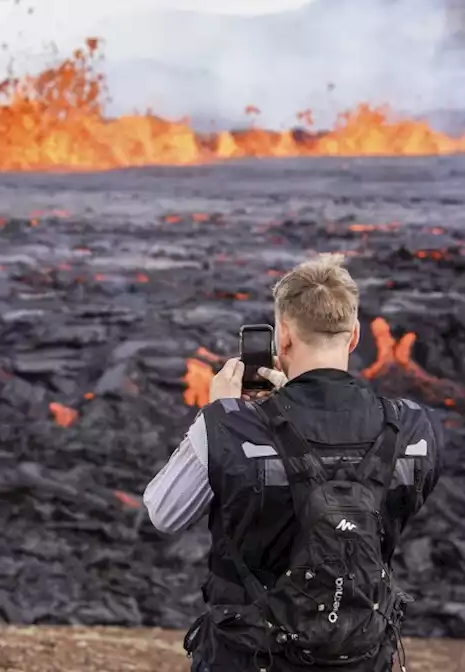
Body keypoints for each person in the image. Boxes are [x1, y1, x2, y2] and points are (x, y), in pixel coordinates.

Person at [143, 253, 443, 672]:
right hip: (359, 655)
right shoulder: (412, 426)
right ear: (354, 335)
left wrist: (221, 416)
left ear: (281, 338)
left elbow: (164, 513)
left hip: (248, 656)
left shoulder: (232, 424)